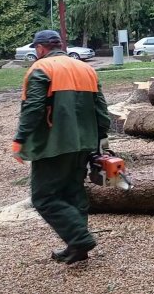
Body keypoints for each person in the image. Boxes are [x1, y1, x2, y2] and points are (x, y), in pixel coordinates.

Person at [12, 30, 111, 264]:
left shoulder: (41, 69)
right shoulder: (86, 69)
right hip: (84, 142)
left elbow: (34, 108)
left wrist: (21, 138)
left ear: (39, 48)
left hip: (54, 145)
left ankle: (79, 238)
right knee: (74, 193)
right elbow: (101, 110)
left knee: (44, 197)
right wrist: (101, 140)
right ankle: (77, 249)